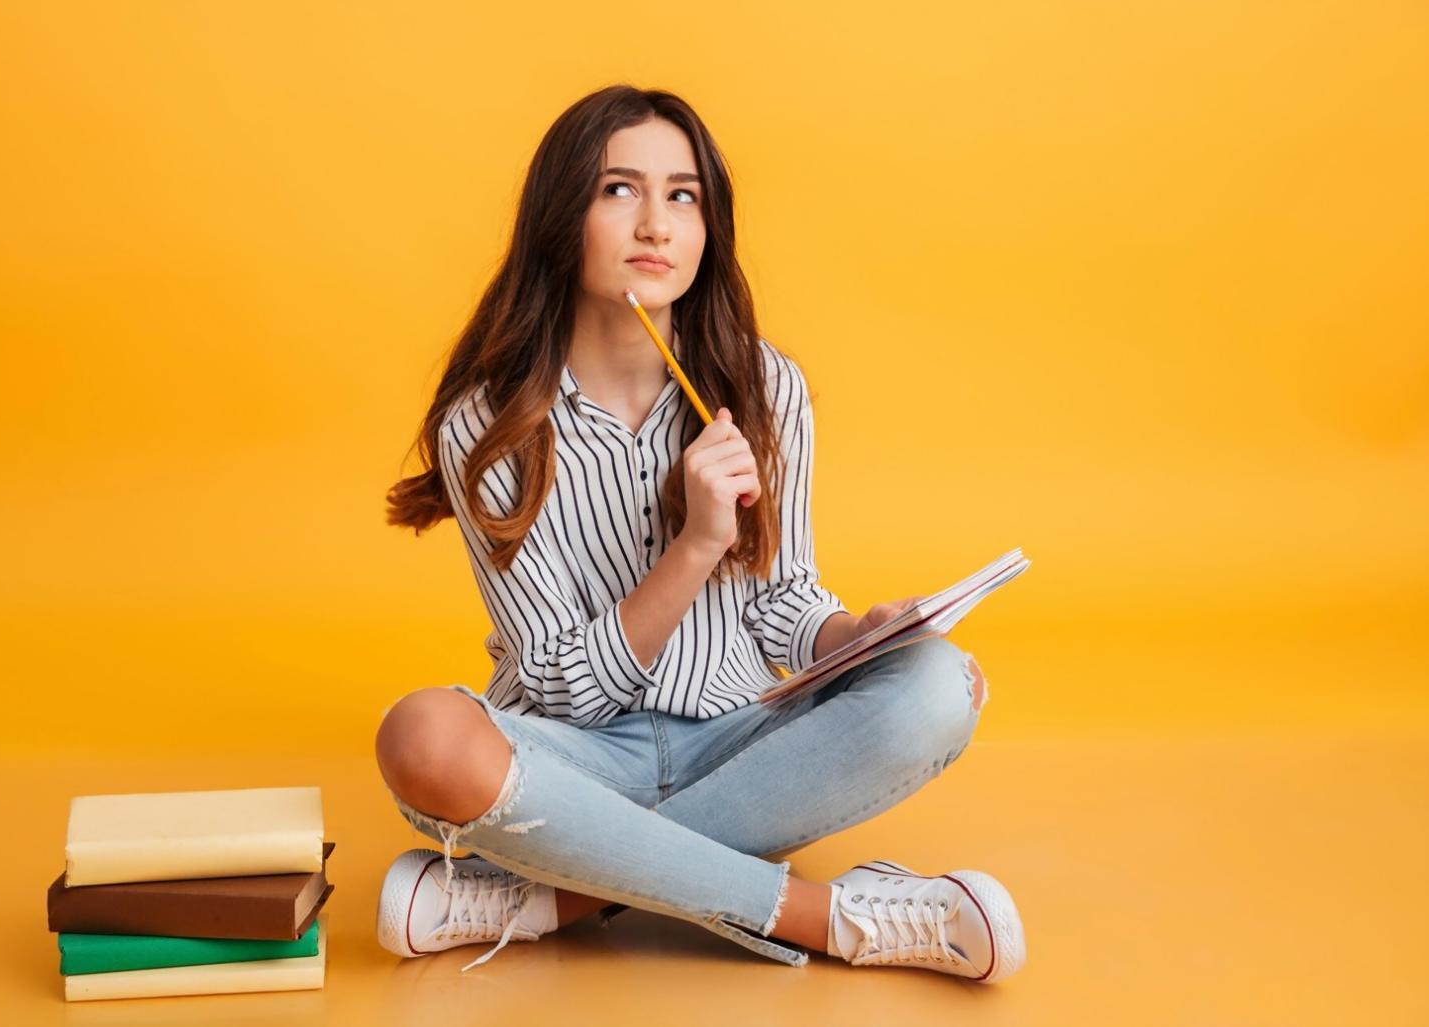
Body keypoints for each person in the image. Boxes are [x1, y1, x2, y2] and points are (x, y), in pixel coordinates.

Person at [375, 84, 1025, 981]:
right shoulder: (487, 426)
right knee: (422, 735)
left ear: (708, 227)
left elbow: (783, 605)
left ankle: (555, 894)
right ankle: (828, 917)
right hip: (574, 761)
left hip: (740, 739)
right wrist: (693, 548)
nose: (656, 225)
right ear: (561, 215)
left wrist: (857, 635)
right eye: (619, 190)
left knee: (941, 684)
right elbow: (564, 687)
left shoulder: (765, 388)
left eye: (683, 197)